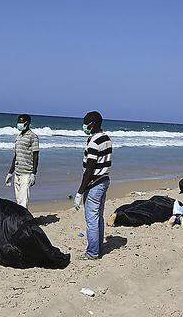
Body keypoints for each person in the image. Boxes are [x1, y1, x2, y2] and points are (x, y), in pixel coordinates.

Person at [73, 111, 112, 260]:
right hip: (104, 180)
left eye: (85, 122)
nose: (83, 126)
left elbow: (89, 170)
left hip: (94, 183)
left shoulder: (95, 142)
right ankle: (98, 248)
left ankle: (92, 252)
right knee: (98, 217)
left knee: (92, 219)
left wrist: (79, 192)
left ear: (93, 123)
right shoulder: (106, 138)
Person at [5, 114, 39, 208]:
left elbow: (36, 156)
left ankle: (25, 221)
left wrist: (34, 173)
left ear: (26, 123)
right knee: (18, 200)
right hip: (17, 172)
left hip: (26, 173)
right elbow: (16, 155)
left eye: (20, 121)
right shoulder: (18, 137)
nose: (18, 124)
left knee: (24, 201)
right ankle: (21, 219)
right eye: (18, 121)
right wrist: (10, 173)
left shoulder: (33, 136)